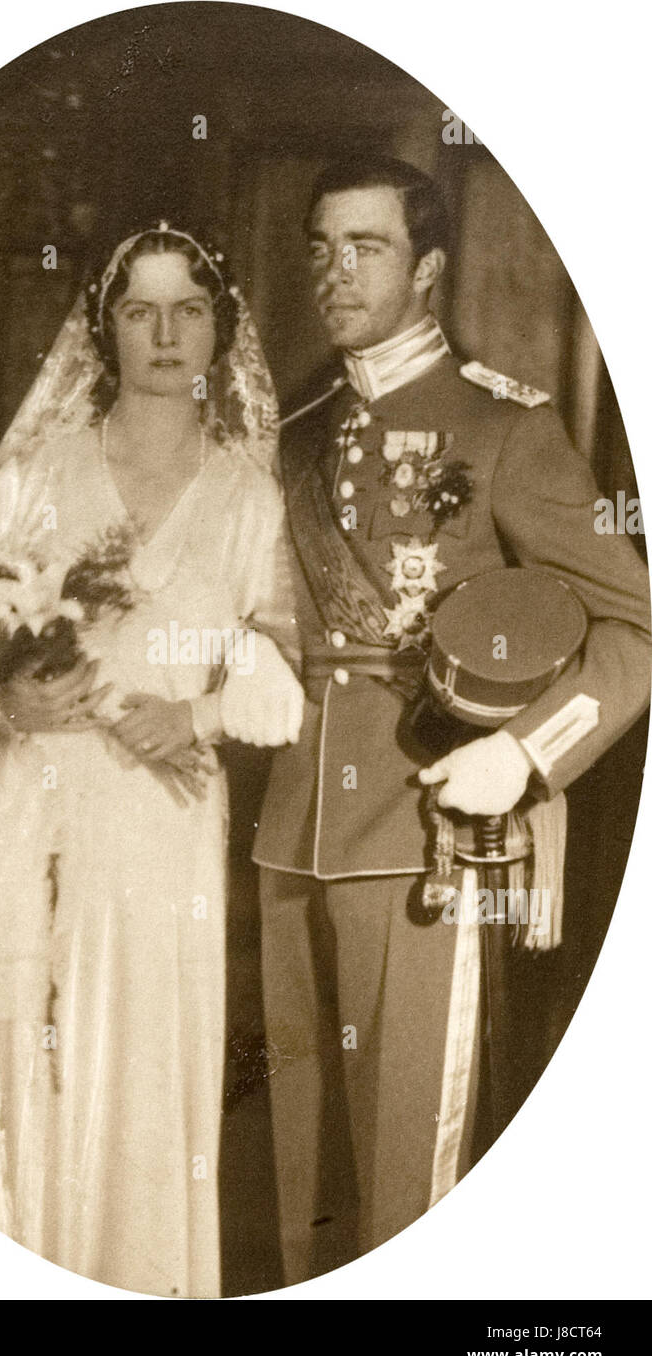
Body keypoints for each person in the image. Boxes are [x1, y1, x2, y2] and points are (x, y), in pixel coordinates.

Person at [253, 155, 651, 1282]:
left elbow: (635, 625)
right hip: (292, 826)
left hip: (424, 824)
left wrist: (522, 755)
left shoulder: (502, 428)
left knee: (404, 1170)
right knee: (302, 1174)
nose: (335, 272)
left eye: (365, 247)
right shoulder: (294, 428)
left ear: (426, 268)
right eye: (321, 249)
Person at [0, 224, 303, 1298]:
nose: (164, 335)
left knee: (142, 1063)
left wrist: (197, 714)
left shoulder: (250, 497)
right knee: (20, 1057)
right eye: (138, 311)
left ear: (220, 332)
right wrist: (4, 700)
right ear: (104, 329)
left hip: (162, 823)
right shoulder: (38, 475)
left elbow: (284, 669)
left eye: (188, 311)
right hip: (26, 804)